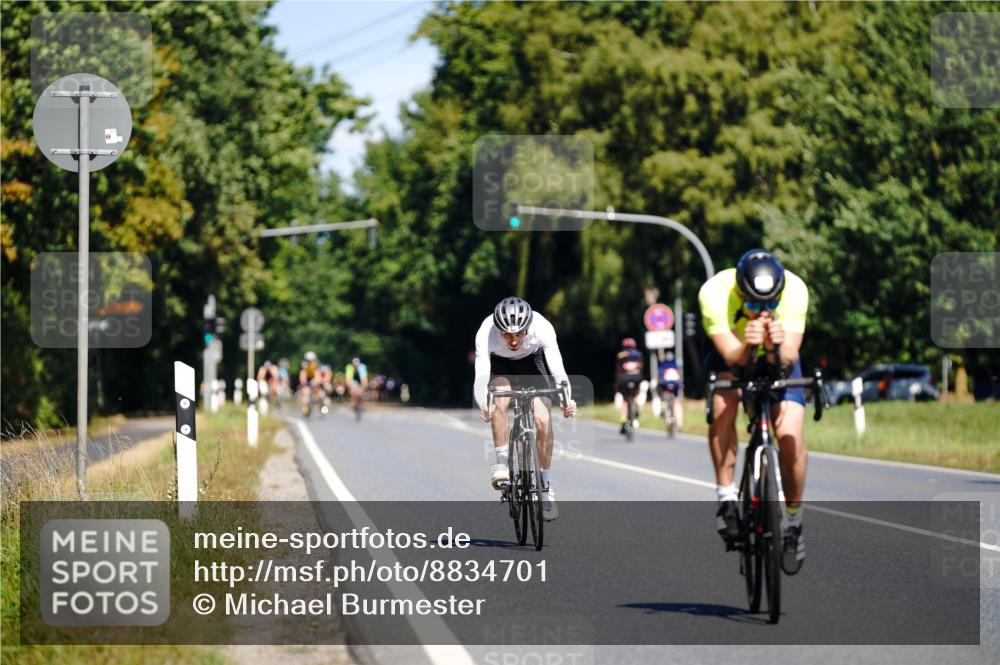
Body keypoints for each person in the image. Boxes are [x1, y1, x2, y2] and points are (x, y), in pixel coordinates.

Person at [699, 249, 809, 574]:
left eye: (771, 304)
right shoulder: (715, 293)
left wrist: (775, 346)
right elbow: (733, 357)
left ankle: (794, 521)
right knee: (723, 402)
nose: (763, 312)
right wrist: (749, 344)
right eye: (753, 304)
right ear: (738, 292)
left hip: (778, 359)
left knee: (789, 438)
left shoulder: (796, 289)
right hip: (732, 353)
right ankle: (726, 498)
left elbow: (788, 357)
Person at [474, 297, 577, 521]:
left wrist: (567, 399)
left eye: (519, 334)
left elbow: (557, 368)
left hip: (533, 363)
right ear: (499, 331)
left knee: (542, 419)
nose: (513, 340)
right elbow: (481, 370)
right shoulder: (486, 331)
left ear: (527, 328)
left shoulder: (542, 327)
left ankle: (546, 487)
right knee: (500, 402)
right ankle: (501, 465)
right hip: (500, 365)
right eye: (507, 335)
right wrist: (483, 402)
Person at [614, 337, 645, 433]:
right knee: (635, 394)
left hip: (624, 378)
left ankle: (623, 421)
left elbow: (618, 369)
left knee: (624, 399)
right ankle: (636, 409)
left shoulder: (620, 355)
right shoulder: (639, 354)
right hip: (636, 377)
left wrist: (617, 382)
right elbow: (641, 367)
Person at [656, 350, 684, 430]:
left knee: (660, 391)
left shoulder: (663, 364)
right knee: (677, 402)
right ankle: (679, 423)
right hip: (675, 384)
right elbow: (680, 375)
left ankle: (662, 405)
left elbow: (659, 375)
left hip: (664, 384)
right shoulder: (676, 364)